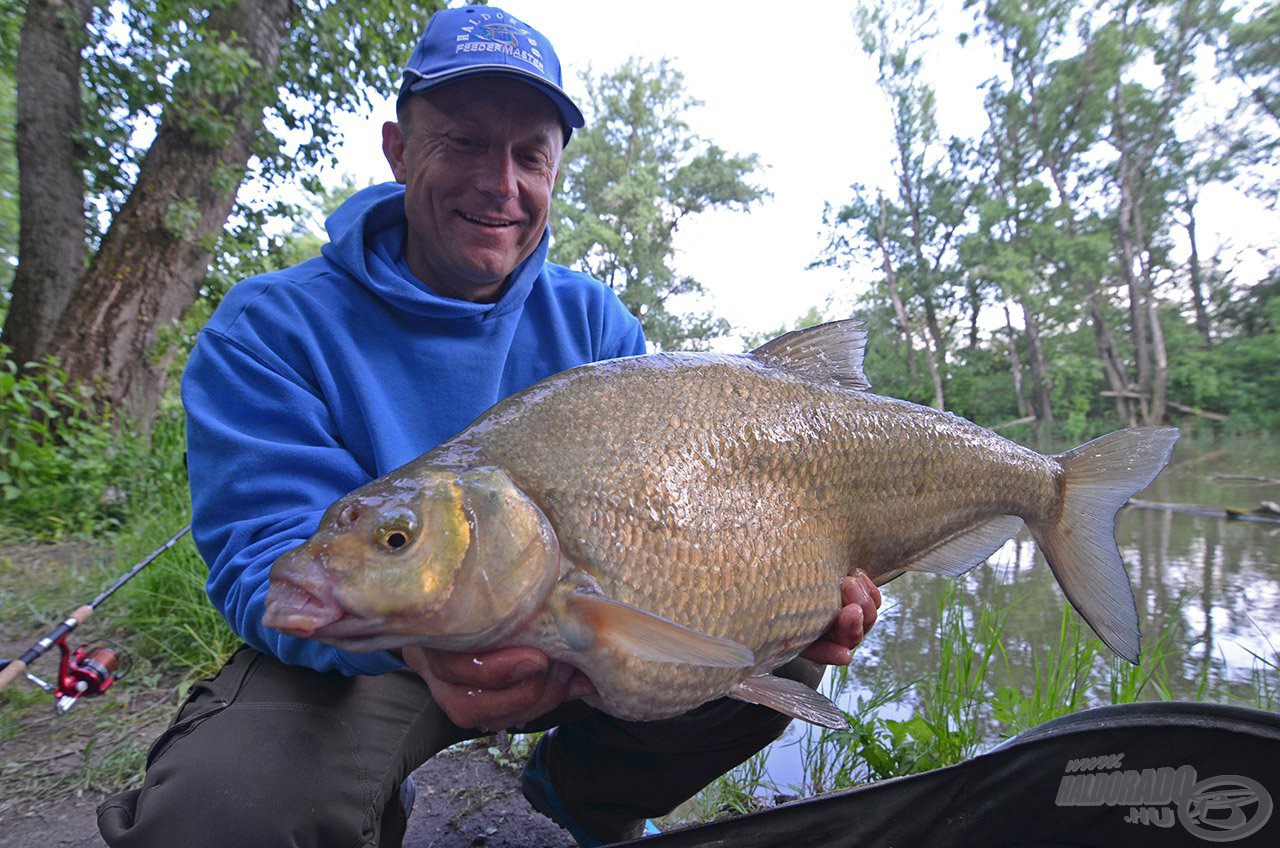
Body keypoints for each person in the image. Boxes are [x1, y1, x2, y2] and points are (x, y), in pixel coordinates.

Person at [96, 6, 881, 848]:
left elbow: (677, 515)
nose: (498, 184)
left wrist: (782, 581)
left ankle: (586, 798)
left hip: (578, 643)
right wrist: (421, 648)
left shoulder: (594, 321)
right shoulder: (269, 327)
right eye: (463, 143)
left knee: (785, 643)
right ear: (399, 149)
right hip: (372, 657)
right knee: (222, 809)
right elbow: (269, 563)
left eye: (528, 156)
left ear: (554, 171)